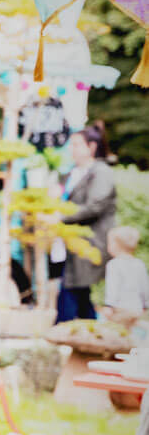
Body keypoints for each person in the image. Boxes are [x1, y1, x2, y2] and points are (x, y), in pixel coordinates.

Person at [57, 123, 117, 323]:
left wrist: (60, 217)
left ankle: (63, 333)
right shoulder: (74, 172)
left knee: (75, 293)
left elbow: (94, 206)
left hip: (92, 243)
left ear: (91, 147)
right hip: (73, 244)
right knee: (81, 297)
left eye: (76, 144)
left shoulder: (101, 172)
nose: (71, 149)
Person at [102, 225, 149, 323]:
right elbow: (145, 287)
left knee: (118, 333)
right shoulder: (139, 264)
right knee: (132, 334)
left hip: (120, 309)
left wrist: (109, 305)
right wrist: (145, 304)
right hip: (136, 308)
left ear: (116, 245)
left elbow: (113, 287)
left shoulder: (114, 264)